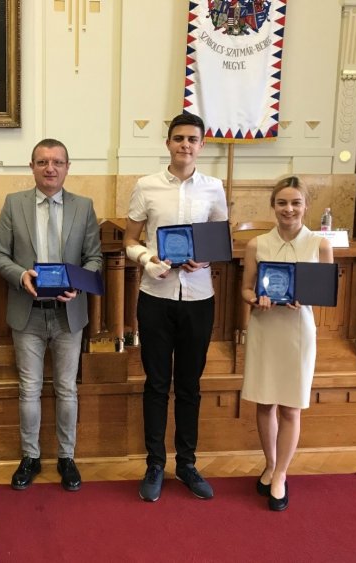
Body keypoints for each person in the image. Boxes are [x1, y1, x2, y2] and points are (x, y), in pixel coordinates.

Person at [124, 112, 228, 502]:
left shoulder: (213, 188)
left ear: (202, 145)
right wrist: (147, 259)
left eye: (192, 139)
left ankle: (186, 464)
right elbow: (129, 240)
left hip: (198, 298)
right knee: (155, 383)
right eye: (179, 138)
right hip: (156, 295)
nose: (185, 145)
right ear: (168, 142)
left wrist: (205, 258)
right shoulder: (146, 186)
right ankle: (155, 464)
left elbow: (220, 243)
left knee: (189, 385)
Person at [0, 139, 102, 492]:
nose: (50, 168)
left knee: (66, 389)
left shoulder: (84, 206)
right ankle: (31, 457)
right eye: (42, 162)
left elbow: (94, 258)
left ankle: (66, 458)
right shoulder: (14, 204)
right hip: (28, 314)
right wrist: (20, 275)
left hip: (69, 313)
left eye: (57, 162)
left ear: (67, 167)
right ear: (32, 166)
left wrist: (78, 285)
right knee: (29, 389)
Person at [240, 176, 333, 511]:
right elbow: (245, 289)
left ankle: (280, 474)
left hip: (297, 331)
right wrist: (256, 299)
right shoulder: (257, 244)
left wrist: (304, 296)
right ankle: (269, 463)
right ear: (273, 206)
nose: (289, 209)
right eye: (282, 203)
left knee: (291, 407)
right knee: (264, 403)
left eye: (295, 203)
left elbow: (323, 291)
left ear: (306, 206)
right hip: (265, 327)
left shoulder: (320, 245)